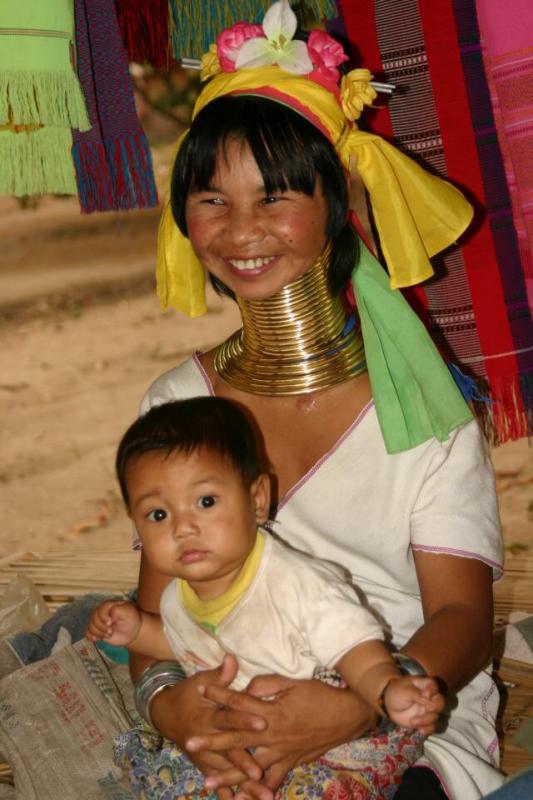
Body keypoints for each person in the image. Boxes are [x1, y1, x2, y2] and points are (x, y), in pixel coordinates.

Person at [128, 2, 504, 799]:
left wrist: (355, 707)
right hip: (229, 716)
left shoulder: (424, 406)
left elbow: (463, 621)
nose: (240, 231)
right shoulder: (176, 401)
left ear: (335, 206)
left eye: (274, 198)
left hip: (403, 714)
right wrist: (169, 707)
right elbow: (159, 612)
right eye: (211, 201)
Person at [87, 397, 444, 742]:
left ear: (257, 501)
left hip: (326, 734)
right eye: (158, 515)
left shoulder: (297, 585)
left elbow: (356, 652)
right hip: (242, 732)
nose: (183, 528)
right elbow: (184, 643)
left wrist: (387, 691)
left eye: (206, 502)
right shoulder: (177, 600)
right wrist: (136, 631)